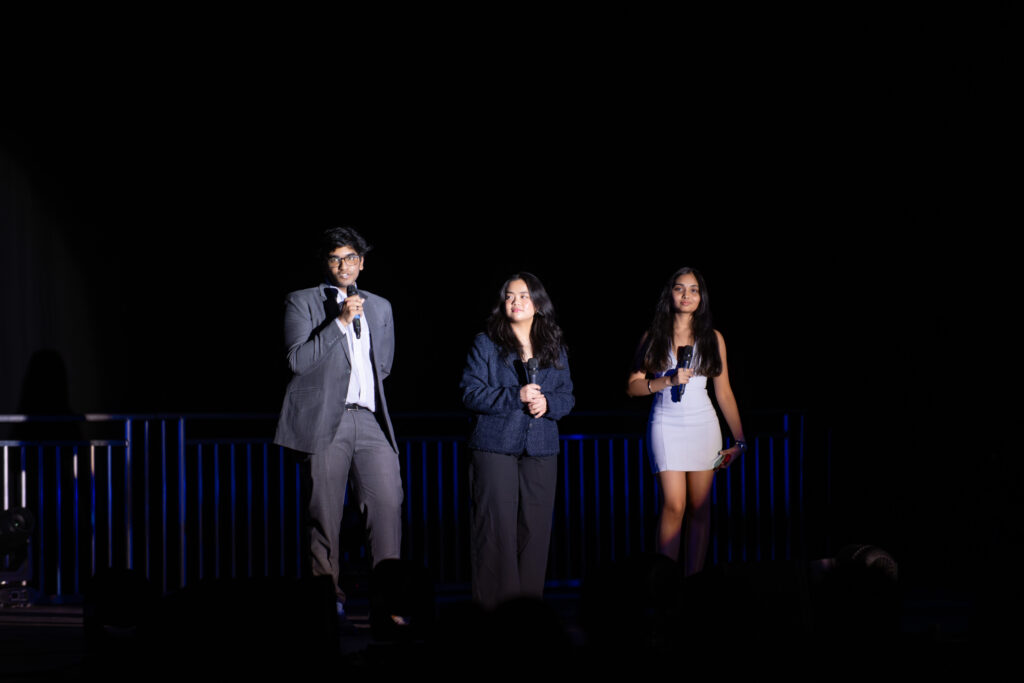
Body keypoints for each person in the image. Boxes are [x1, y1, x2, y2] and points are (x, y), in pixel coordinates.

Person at [273, 226, 403, 617]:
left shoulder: (380, 306)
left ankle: (391, 602)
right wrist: (341, 323)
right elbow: (298, 361)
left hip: (368, 419)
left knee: (388, 507)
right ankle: (326, 605)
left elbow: (385, 366)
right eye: (335, 258)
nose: (343, 265)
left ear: (361, 264)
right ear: (326, 264)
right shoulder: (302, 301)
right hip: (325, 420)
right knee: (324, 516)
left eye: (350, 258)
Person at [459, 273, 574, 609]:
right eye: (509, 296)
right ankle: (494, 613)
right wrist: (516, 395)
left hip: (541, 447)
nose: (516, 302)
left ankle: (528, 612)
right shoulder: (486, 343)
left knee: (535, 534)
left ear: (537, 302)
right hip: (494, 445)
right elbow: (470, 393)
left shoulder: (554, 346)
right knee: (495, 533)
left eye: (523, 296)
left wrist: (548, 403)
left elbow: (568, 396)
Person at [626, 267, 746, 576]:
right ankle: (663, 584)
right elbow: (633, 385)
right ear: (670, 294)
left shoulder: (713, 338)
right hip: (665, 421)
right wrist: (665, 381)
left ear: (701, 298)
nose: (687, 295)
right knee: (674, 504)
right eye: (680, 289)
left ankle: (692, 586)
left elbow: (725, 393)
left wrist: (740, 440)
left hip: (703, 424)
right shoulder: (653, 336)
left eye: (694, 290)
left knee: (700, 508)